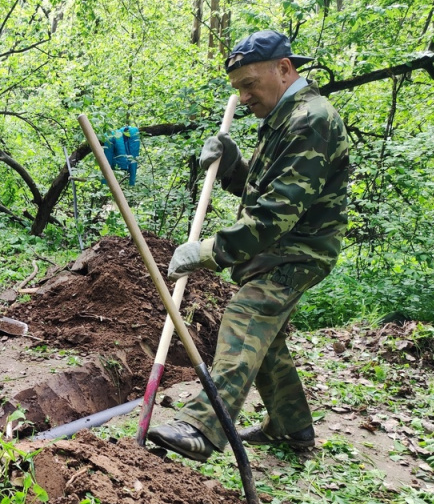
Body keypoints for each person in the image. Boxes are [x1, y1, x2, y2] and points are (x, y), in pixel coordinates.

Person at [147, 30, 350, 462]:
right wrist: (230, 163)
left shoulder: (310, 119)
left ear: (284, 69)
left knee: (245, 316)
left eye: (249, 84)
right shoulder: (283, 116)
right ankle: (291, 428)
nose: (242, 97)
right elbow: (259, 189)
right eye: (237, 88)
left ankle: (203, 425)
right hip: (278, 247)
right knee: (267, 341)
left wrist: (207, 251)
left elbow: (276, 214)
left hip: (297, 251)